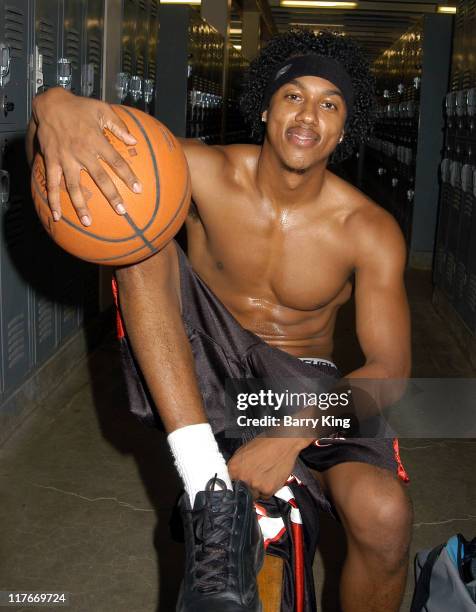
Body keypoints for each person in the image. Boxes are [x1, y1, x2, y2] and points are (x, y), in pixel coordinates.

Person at [27, 29, 413, 612]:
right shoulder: (203, 171)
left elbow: (391, 370)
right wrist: (50, 106)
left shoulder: (368, 228)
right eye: (294, 96)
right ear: (265, 106)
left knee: (384, 517)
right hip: (207, 368)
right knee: (141, 232)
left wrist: (291, 433)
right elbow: (99, 136)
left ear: (344, 129)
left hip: (305, 387)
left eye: (330, 104)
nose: (309, 115)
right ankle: (205, 477)